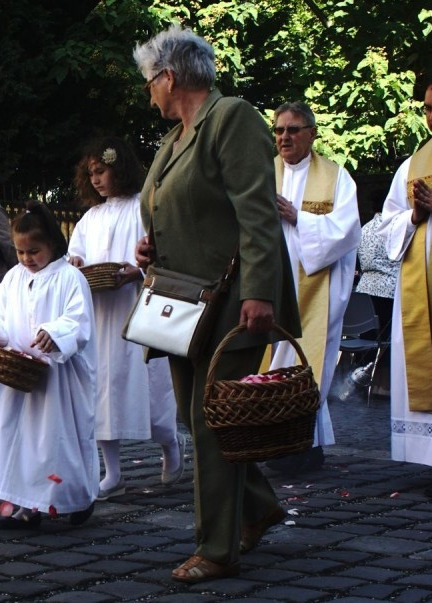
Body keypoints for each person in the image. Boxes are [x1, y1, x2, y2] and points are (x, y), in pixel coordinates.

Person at [133, 25, 300, 582]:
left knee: (210, 421)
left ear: (169, 76)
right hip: (181, 301)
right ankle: (258, 506)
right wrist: (150, 244)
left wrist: (260, 292)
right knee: (195, 415)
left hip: (231, 300)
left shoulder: (230, 118)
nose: (148, 94)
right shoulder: (172, 140)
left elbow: (256, 211)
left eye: (149, 82)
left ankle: (217, 547)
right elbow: (172, 209)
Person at [68, 136, 183, 499]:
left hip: (137, 308)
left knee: (148, 386)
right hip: (102, 314)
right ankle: (113, 471)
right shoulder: (91, 217)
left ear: (119, 169)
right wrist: (75, 263)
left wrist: (138, 272)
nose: (96, 179)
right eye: (91, 173)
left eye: (101, 171)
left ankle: (170, 444)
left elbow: (162, 251)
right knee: (103, 390)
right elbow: (76, 254)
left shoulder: (142, 209)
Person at [0, 201, 98, 528]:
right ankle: (26, 506)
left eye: (34, 251)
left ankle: (76, 496)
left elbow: (78, 320)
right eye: (20, 252)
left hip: (58, 378)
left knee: (55, 440)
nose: (27, 259)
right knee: (19, 440)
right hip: (18, 376)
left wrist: (54, 334)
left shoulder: (70, 277)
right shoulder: (14, 277)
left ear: (52, 245)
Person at [264, 101, 361, 476]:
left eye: (293, 130)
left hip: (317, 288)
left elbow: (347, 230)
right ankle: (295, 443)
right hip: (271, 286)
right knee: (275, 363)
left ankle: (298, 446)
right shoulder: (263, 172)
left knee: (308, 364)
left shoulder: (336, 178)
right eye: (279, 130)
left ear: (312, 134)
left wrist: (297, 217)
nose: (284, 137)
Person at [379, 73, 432, 496]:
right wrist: (415, 216)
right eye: (428, 108)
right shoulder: (413, 165)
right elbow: (387, 225)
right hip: (420, 289)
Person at [351, 197, 399, 388]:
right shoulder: (393, 228)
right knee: (389, 339)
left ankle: (359, 379)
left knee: (368, 338)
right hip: (390, 289)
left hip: (364, 289)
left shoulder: (365, 228)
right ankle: (383, 384)